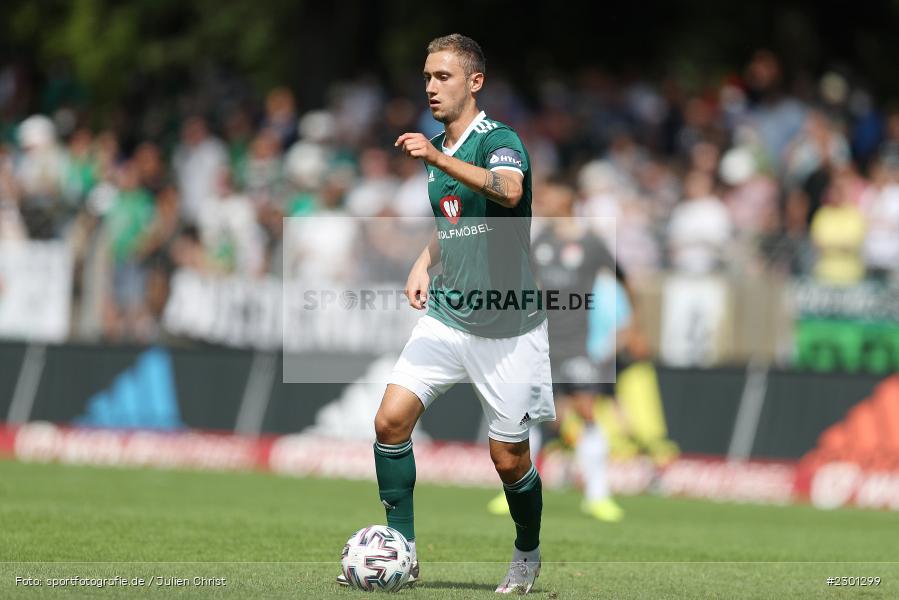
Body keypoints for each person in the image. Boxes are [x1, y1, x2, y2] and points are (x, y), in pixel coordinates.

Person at [336, 34, 554, 594]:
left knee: (508, 460)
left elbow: (508, 191)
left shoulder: (498, 140)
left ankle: (526, 553)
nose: (431, 87)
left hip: (508, 326)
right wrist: (422, 262)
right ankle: (402, 549)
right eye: (427, 77)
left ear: (474, 82)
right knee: (389, 421)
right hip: (448, 316)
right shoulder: (437, 151)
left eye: (444, 77)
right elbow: (453, 221)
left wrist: (438, 158)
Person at [487, 177, 631, 522]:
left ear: (565, 201)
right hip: (541, 343)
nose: (544, 202)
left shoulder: (593, 244)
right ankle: (513, 492)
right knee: (528, 414)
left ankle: (598, 494)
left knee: (586, 411)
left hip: (577, 346)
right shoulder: (543, 242)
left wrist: (628, 322)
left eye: (550, 197)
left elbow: (624, 280)